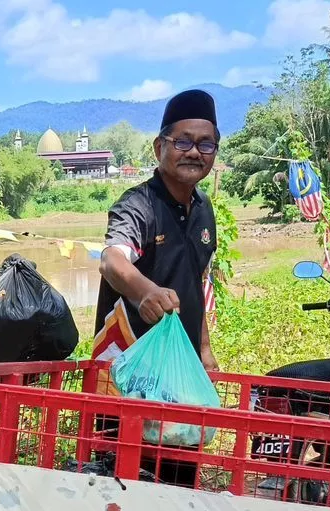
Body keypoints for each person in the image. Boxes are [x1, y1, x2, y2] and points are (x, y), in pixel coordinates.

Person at [93, 88, 222, 486]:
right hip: (127, 376)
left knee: (178, 484)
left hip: (178, 377)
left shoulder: (203, 210)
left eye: (206, 144)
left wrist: (204, 348)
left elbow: (197, 281)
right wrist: (143, 291)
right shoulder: (139, 206)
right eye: (183, 141)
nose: (194, 152)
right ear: (159, 147)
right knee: (120, 487)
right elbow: (112, 260)